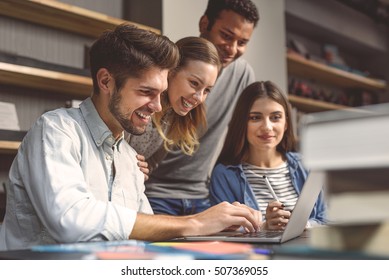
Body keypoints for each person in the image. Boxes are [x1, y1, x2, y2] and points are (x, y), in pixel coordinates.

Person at [0, 24, 261, 251]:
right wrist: (195, 222)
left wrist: (223, 230)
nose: (158, 107)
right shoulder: (56, 131)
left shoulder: (128, 158)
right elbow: (71, 220)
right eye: (146, 92)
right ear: (106, 82)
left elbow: (146, 234)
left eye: (161, 93)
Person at [145, 0, 260, 215]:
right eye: (226, 36)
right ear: (204, 23)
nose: (232, 49)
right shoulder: (168, 68)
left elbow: (242, 141)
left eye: (242, 42)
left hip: (202, 194)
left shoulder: (243, 75)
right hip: (155, 193)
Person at [209, 81, 326, 230]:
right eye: (255, 118)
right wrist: (264, 227)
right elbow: (221, 230)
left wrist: (303, 225)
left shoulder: (306, 165)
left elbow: (326, 218)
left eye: (275, 117)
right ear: (242, 123)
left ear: (286, 124)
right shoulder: (224, 175)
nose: (267, 127)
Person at [127, 36, 221, 174]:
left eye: (207, 90)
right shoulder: (139, 103)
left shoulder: (174, 116)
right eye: (194, 83)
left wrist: (143, 170)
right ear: (171, 71)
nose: (199, 98)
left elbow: (150, 163)